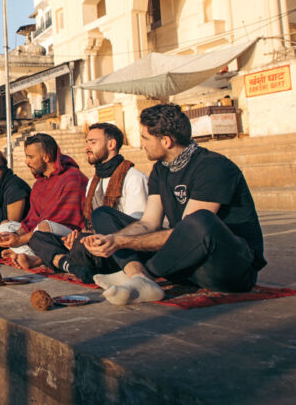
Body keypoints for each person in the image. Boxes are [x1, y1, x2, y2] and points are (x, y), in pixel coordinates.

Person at [82, 104, 266, 305]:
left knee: (200, 220)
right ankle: (137, 275)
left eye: (145, 138)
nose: (141, 143)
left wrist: (121, 243)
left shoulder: (213, 166)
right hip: (185, 262)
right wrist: (110, 239)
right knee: (103, 215)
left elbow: (192, 232)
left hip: (227, 268)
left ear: (166, 141)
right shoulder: (161, 169)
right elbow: (147, 224)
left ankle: (144, 276)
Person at [26, 123, 148, 281]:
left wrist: (97, 239)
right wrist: (81, 236)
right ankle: (69, 264)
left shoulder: (134, 178)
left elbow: (138, 227)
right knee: (38, 237)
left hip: (118, 248)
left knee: (96, 223)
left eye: (93, 142)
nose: (87, 147)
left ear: (111, 144)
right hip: (93, 241)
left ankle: (65, 262)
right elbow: (88, 224)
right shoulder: (93, 182)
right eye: (86, 142)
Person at [0, 134, 88, 260]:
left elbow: (60, 221)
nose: (26, 161)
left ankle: (32, 255)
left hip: (68, 233)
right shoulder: (39, 183)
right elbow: (32, 220)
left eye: (30, 157)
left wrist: (18, 240)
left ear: (46, 157)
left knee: (44, 227)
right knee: (4, 227)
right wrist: (13, 235)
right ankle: (30, 254)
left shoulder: (73, 178)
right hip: (39, 231)